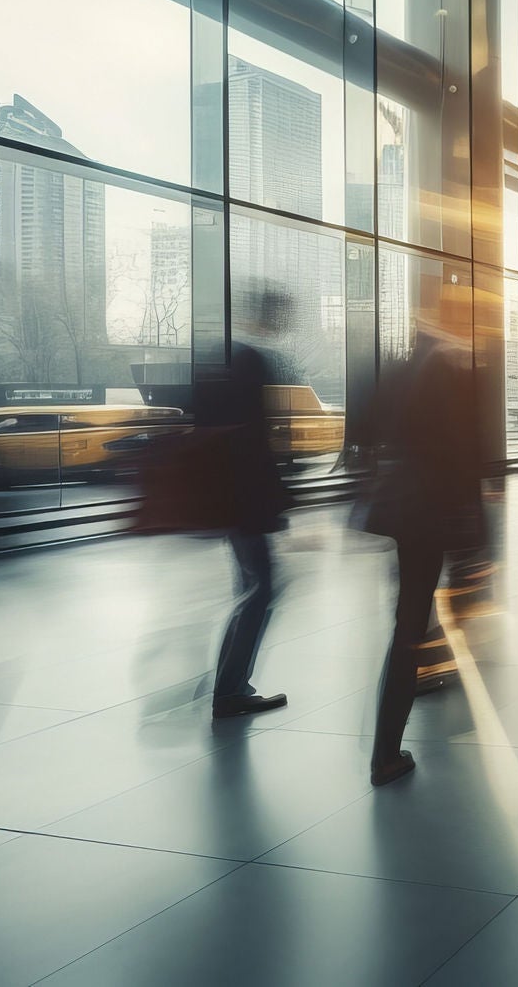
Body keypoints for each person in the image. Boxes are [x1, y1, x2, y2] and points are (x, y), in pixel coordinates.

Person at [366, 324, 484, 787]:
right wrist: (473, 532)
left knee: (409, 618)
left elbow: (371, 427)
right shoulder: (447, 372)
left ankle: (418, 685)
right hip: (429, 514)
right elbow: (459, 454)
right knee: (410, 626)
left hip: (400, 510)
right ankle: (385, 754)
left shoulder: (400, 368)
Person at [209, 288, 297, 719]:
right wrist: (275, 503)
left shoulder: (225, 356)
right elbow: (257, 443)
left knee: (252, 587)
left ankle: (230, 682)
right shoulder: (254, 361)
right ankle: (229, 689)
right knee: (260, 589)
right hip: (246, 500)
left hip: (230, 497)